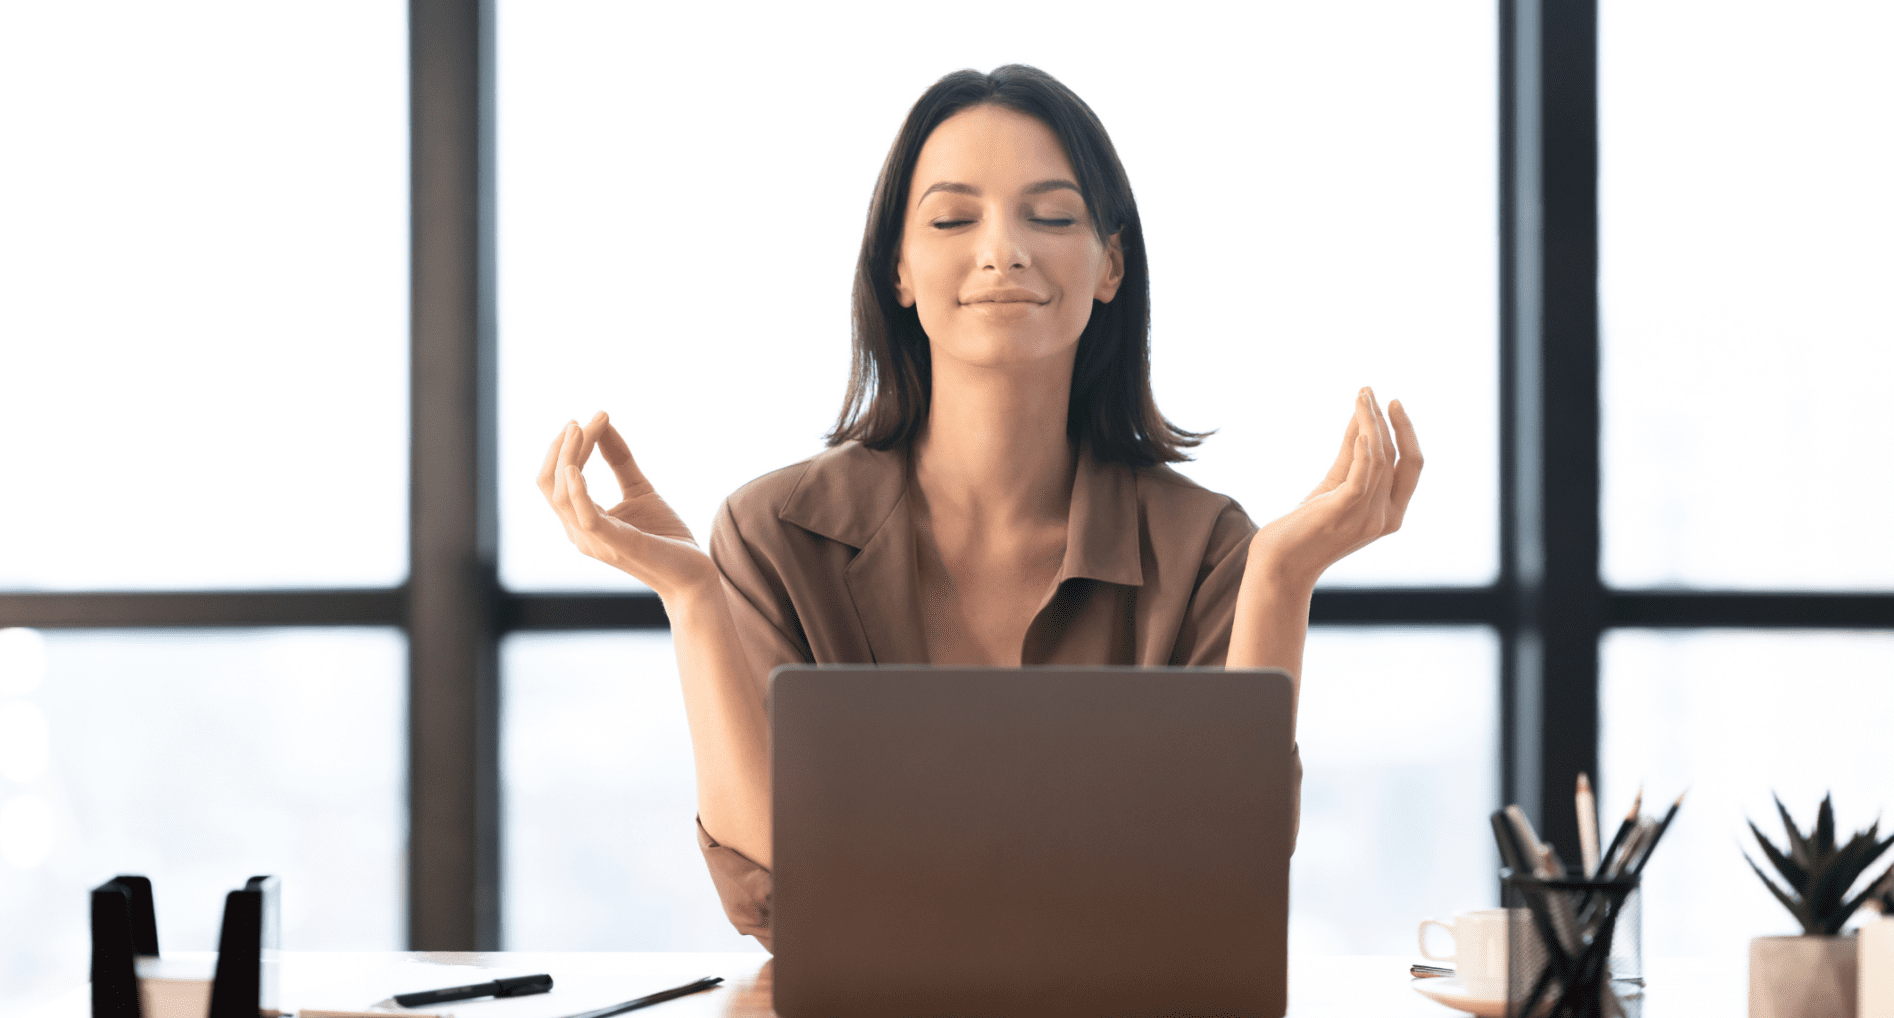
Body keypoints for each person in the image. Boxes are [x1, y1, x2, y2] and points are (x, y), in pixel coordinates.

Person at [536, 65, 1423, 950]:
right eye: (954, 218)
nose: (1003, 250)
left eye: (1052, 215)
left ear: (1110, 264)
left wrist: (1282, 576)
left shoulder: (1206, 547)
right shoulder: (775, 534)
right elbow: (777, 884)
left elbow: (1223, 888)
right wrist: (691, 598)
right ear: (900, 269)